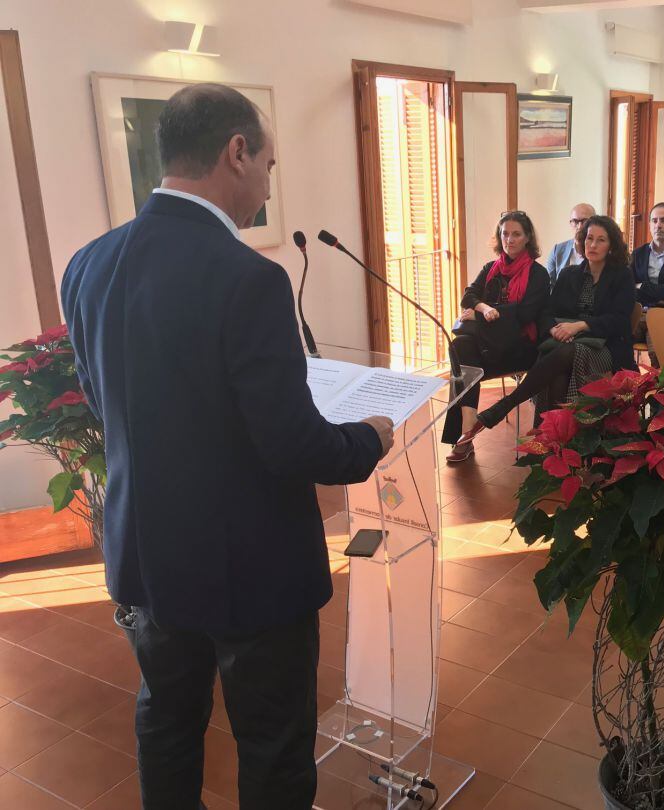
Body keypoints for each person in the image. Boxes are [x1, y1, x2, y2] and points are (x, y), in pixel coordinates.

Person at [60, 84, 395, 810]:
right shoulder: (249, 278)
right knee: (272, 746)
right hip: (250, 569)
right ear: (236, 153)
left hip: (146, 557)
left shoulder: (88, 264)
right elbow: (292, 446)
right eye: (269, 165)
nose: (268, 184)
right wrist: (367, 438)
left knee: (167, 719)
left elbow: (104, 401)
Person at [450, 215, 635, 452]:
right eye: (589, 238)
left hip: (605, 347)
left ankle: (509, 408)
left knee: (567, 352)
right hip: (564, 343)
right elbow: (547, 312)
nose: (593, 245)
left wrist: (578, 327)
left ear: (612, 246)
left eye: (601, 240)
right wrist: (554, 329)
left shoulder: (621, 276)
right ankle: (551, 440)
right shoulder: (569, 274)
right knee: (557, 372)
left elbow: (619, 320)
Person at [442, 211, 550, 462]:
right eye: (505, 234)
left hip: (520, 348)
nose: (509, 240)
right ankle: (468, 431)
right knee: (460, 347)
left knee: (464, 361)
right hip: (489, 345)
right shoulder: (491, 268)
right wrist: (484, 309)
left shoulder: (538, 274)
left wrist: (480, 315)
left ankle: (465, 437)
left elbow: (525, 315)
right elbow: (468, 297)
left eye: (516, 234)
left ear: (527, 238)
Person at [546, 202, 595, 286]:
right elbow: (548, 285)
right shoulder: (557, 250)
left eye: (585, 221)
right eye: (575, 221)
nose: (579, 226)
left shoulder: (599, 250)